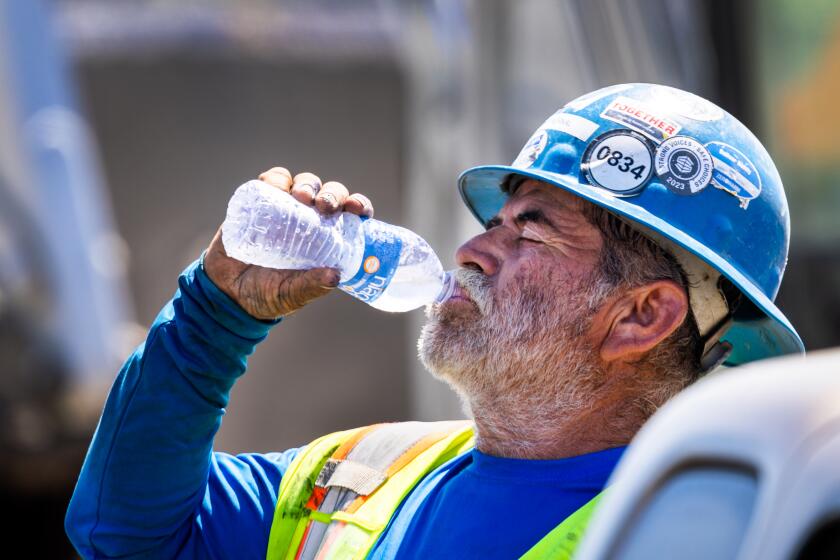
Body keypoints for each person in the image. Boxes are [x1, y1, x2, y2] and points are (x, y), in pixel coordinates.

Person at [65, 83, 804, 559]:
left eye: (532, 231)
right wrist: (214, 314)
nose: (473, 250)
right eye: (496, 219)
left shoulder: (700, 535)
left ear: (640, 316)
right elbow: (121, 536)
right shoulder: (359, 474)